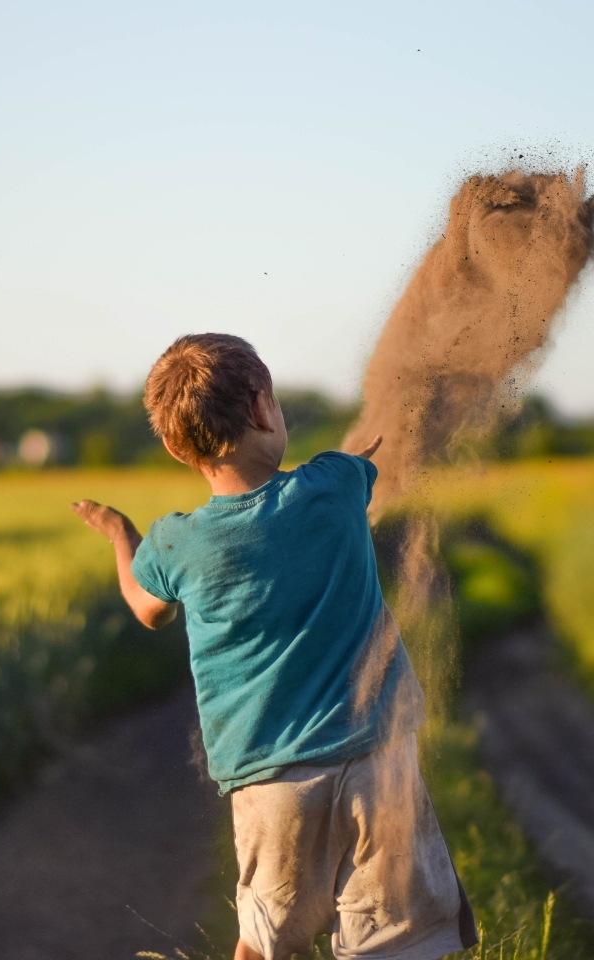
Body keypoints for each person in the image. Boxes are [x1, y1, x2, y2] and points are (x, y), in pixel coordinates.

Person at [71, 333, 477, 960]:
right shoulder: (335, 483)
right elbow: (361, 463)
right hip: (379, 760)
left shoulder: (174, 544)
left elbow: (147, 609)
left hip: (271, 782)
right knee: (396, 942)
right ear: (262, 407)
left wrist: (121, 535)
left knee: (264, 941)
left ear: (177, 447)